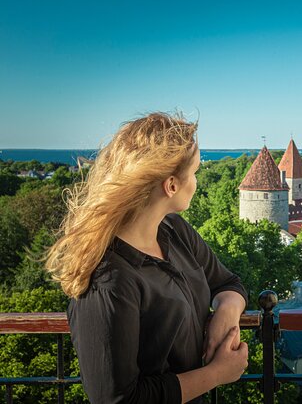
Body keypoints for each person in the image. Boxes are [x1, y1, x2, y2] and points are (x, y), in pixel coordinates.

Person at [46, 112, 248, 403]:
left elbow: (229, 283)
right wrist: (217, 374)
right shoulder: (109, 279)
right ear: (171, 185)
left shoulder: (174, 231)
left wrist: (227, 311)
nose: (196, 182)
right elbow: (118, 399)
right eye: (194, 173)